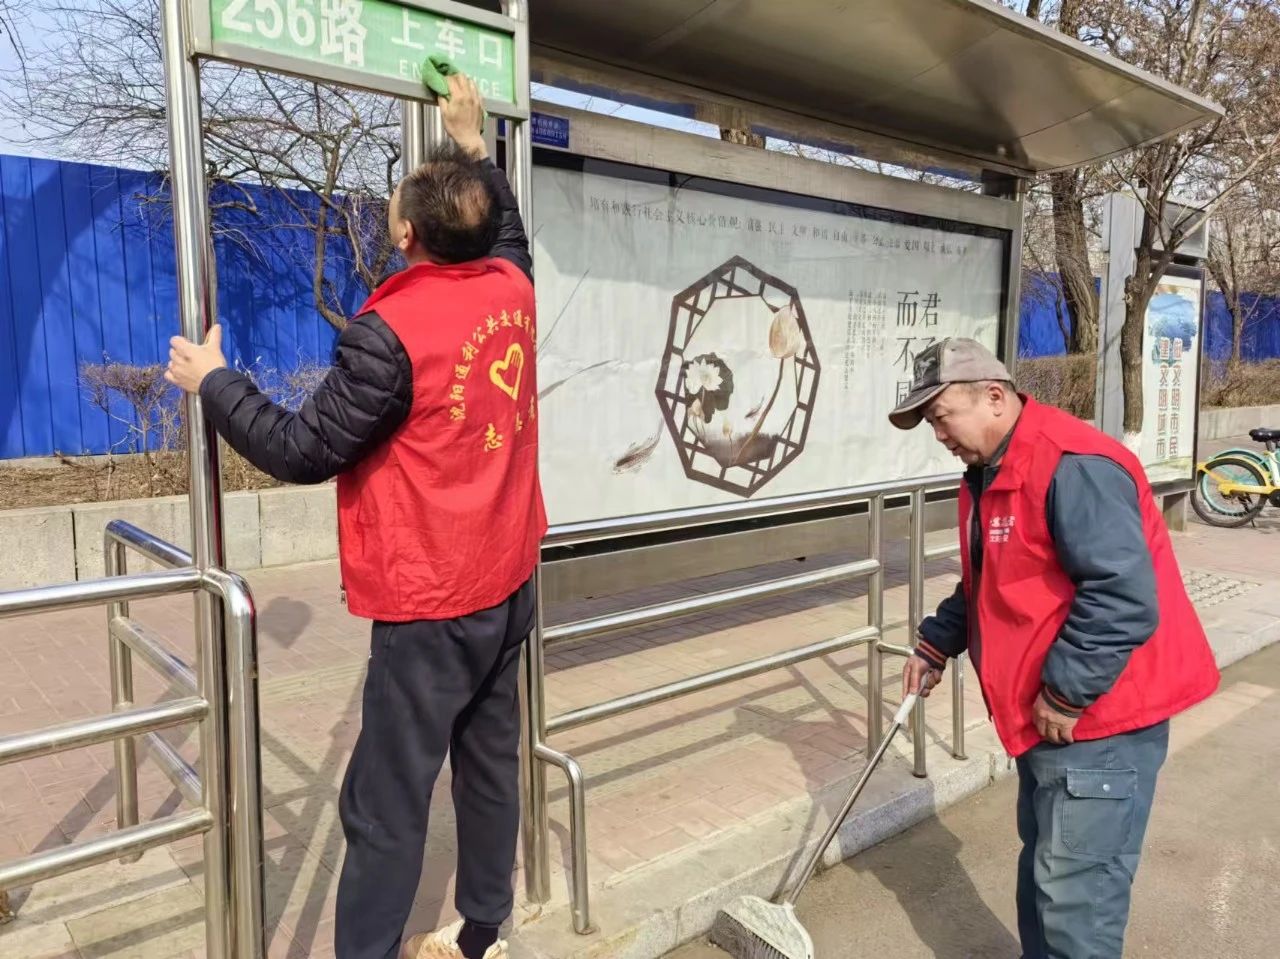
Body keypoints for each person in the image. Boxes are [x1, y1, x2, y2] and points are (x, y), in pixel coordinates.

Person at [165, 73, 544, 959]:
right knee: (489, 763)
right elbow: (510, 232)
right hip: (509, 576)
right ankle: (481, 929)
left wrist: (214, 382)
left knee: (386, 801)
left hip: (431, 600)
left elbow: (302, 448)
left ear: (407, 235)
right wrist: (474, 141)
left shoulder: (391, 333)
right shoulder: (513, 290)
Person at [890, 338, 1219, 959]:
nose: (939, 434)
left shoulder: (1073, 466)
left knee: (1076, 904)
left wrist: (1066, 693)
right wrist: (938, 642)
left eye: (942, 416)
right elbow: (996, 574)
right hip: (1047, 718)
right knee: (1048, 878)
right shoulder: (994, 469)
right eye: (930, 422)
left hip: (1098, 721)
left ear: (993, 397)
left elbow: (1122, 596)